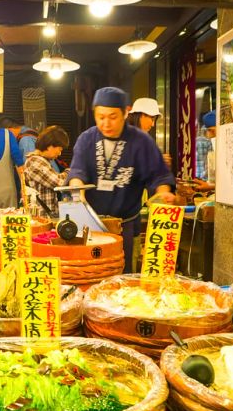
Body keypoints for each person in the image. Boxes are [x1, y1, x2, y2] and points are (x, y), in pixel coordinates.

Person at [67, 86, 176, 273]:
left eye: (112, 117)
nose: (106, 124)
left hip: (124, 225)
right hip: (90, 226)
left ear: (126, 112)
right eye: (100, 117)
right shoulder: (86, 139)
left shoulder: (141, 141)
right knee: (90, 274)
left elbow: (159, 174)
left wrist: (163, 192)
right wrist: (78, 195)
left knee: (121, 275)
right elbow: (77, 172)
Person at [23, 126, 70, 217]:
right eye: (60, 149)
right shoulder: (35, 162)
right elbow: (59, 182)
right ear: (50, 146)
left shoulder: (43, 161)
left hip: (46, 216)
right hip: (42, 217)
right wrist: (71, 171)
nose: (60, 153)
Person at [127, 97, 173, 171]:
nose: (153, 124)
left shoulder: (144, 139)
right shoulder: (127, 136)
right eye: (152, 119)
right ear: (142, 116)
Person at [195, 110, 216, 184]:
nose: (210, 134)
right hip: (205, 180)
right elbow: (211, 164)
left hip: (199, 178)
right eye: (209, 130)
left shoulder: (201, 141)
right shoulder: (208, 141)